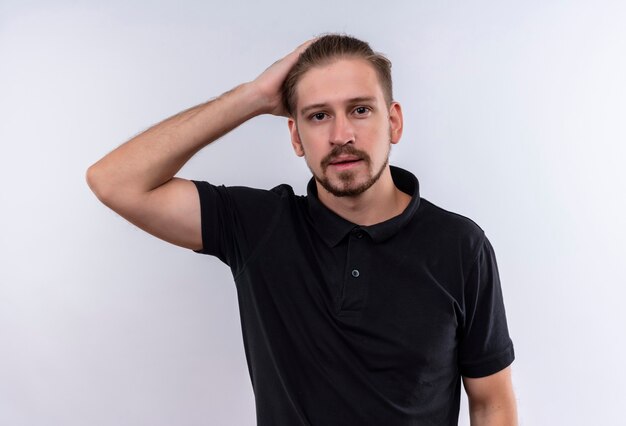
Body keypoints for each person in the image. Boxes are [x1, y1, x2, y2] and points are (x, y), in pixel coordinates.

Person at [87, 34, 517, 425]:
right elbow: (114, 181)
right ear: (295, 137)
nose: (340, 134)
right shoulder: (258, 227)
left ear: (395, 122)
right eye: (317, 116)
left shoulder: (461, 246)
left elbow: (491, 402)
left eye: (361, 110)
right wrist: (252, 96)